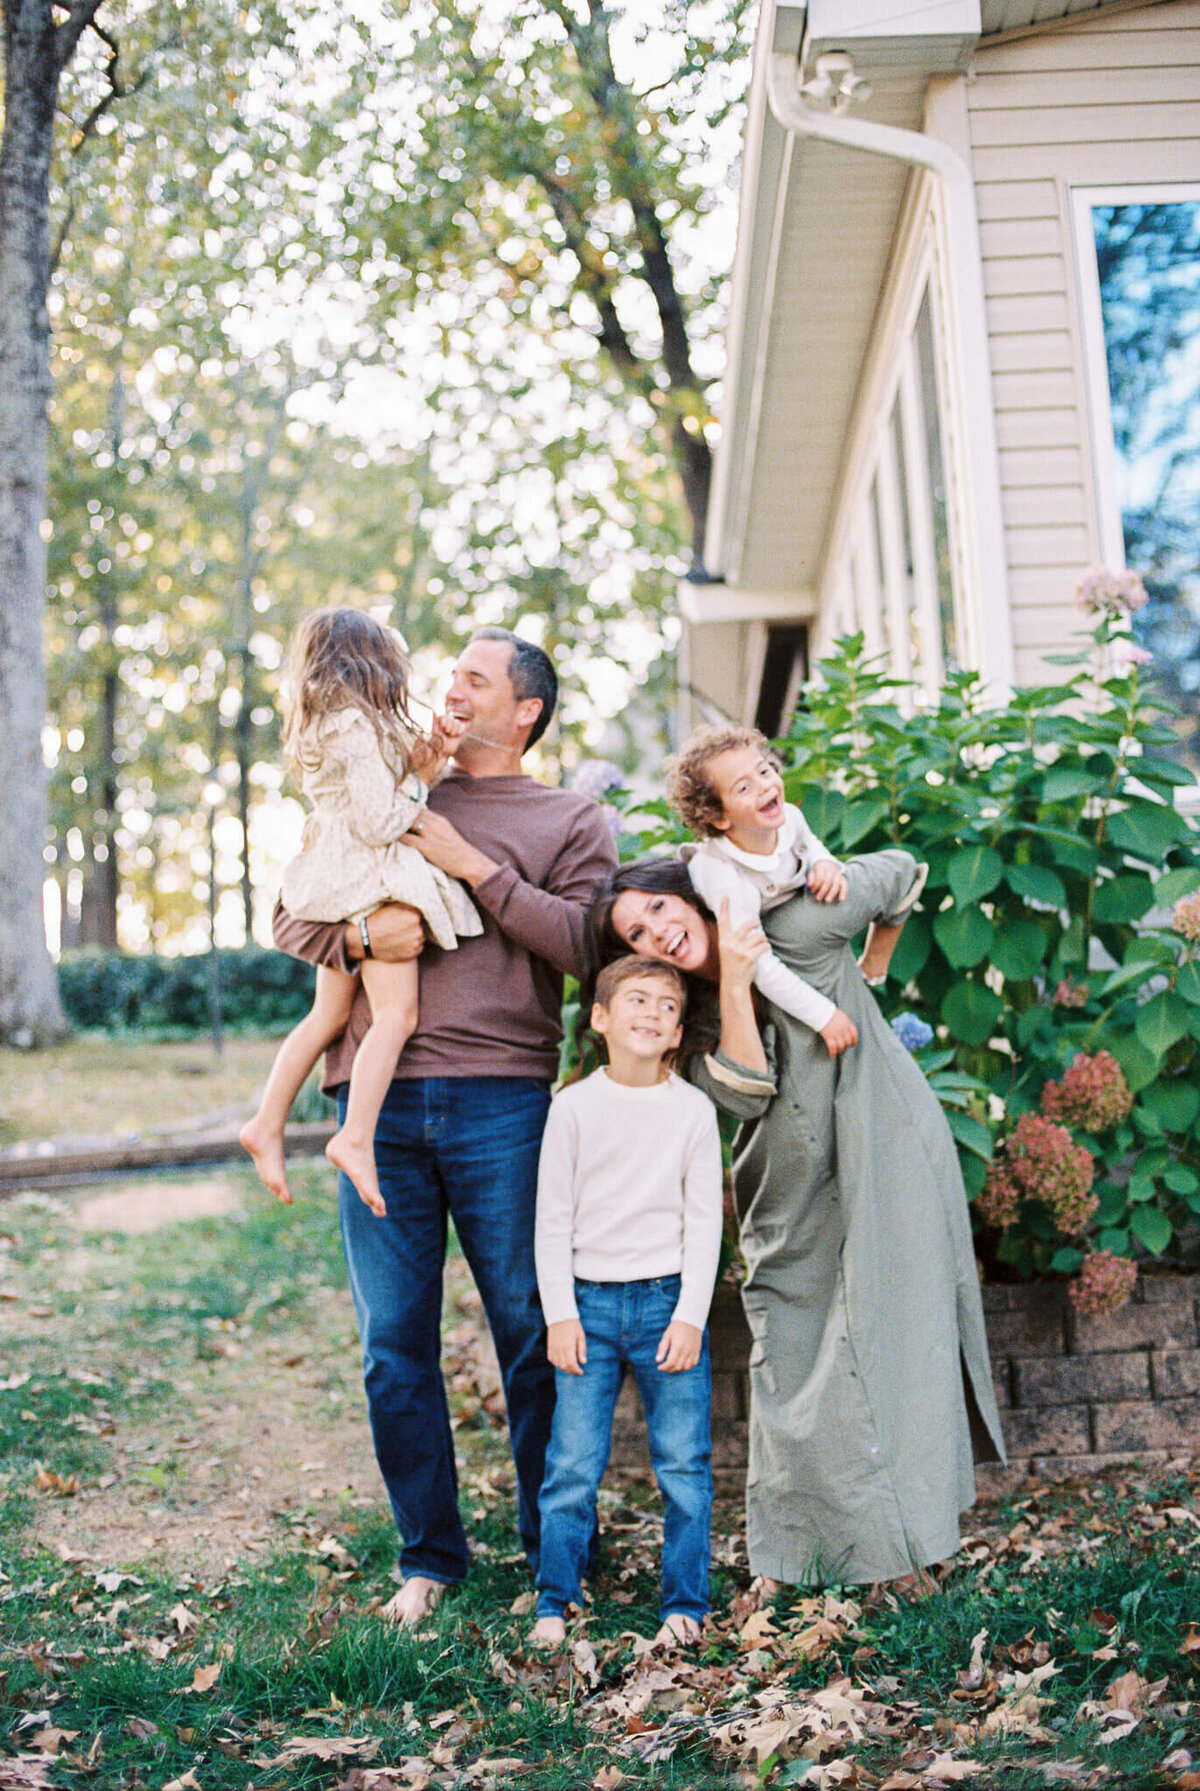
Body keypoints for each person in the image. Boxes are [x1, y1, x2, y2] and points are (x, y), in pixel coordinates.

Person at [272, 626, 618, 1625]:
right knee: (393, 1344)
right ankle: (427, 1558)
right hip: (371, 1103)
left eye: (475, 677)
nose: (448, 688)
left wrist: (475, 868)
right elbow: (289, 912)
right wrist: (356, 934)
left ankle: (557, 1550)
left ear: (524, 713)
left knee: (527, 1325)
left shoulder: (570, 819)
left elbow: (591, 948)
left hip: (501, 1100)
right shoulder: (381, 776)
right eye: (447, 672)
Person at [589, 850, 1006, 1592]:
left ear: (688, 893)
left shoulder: (800, 924)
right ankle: (796, 1556)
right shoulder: (682, 1020)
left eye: (657, 907)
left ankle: (904, 1550)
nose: (656, 934)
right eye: (635, 936)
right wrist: (742, 980)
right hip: (785, 1193)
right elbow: (747, 1093)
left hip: (885, 1150)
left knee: (899, 1344)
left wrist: (862, 941)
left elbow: (907, 870)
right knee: (792, 1355)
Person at [240, 608, 482, 1218]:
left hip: (336, 872)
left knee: (327, 1014)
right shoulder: (358, 724)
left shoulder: (329, 722)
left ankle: (267, 1123)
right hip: (369, 879)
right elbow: (382, 821)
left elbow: (379, 795)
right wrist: (422, 793)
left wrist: (426, 764)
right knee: (396, 1014)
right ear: (373, 664)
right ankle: (353, 1137)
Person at [532, 956, 723, 1650]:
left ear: (676, 1031)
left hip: (666, 1302)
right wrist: (559, 1312)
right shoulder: (573, 1106)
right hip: (587, 1308)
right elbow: (552, 1216)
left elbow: (705, 1223)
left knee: (681, 1462)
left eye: (666, 1005)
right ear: (602, 1018)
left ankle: (685, 1604)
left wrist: (691, 1315)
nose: (651, 1011)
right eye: (635, 999)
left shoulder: (692, 1111)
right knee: (574, 1463)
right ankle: (555, 1597)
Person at [666, 725, 924, 1059]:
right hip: (744, 943)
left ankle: (873, 964)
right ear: (718, 818)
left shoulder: (789, 817)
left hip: (789, 911)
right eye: (744, 787)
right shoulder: (723, 876)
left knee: (887, 874)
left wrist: (824, 864)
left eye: (764, 770)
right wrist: (823, 1016)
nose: (765, 786)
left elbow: (809, 843)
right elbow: (758, 964)